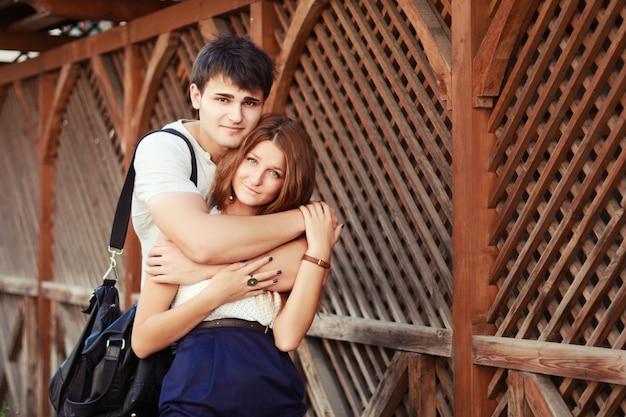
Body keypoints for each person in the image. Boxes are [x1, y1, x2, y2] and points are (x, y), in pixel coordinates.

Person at [132, 113, 343, 416]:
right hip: (194, 396)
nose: (256, 179)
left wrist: (321, 247)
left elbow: (287, 337)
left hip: (271, 397)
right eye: (252, 161)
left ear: (289, 182)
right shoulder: (187, 231)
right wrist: (215, 294)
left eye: (275, 173)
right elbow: (142, 341)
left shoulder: (297, 246)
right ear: (236, 158)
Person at [132, 34, 322, 293]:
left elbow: (300, 265)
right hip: (171, 317)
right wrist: (305, 219)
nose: (236, 116)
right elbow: (201, 242)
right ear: (196, 96)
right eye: (223, 99)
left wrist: (204, 272)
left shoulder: (258, 159)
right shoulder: (164, 150)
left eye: (250, 103)